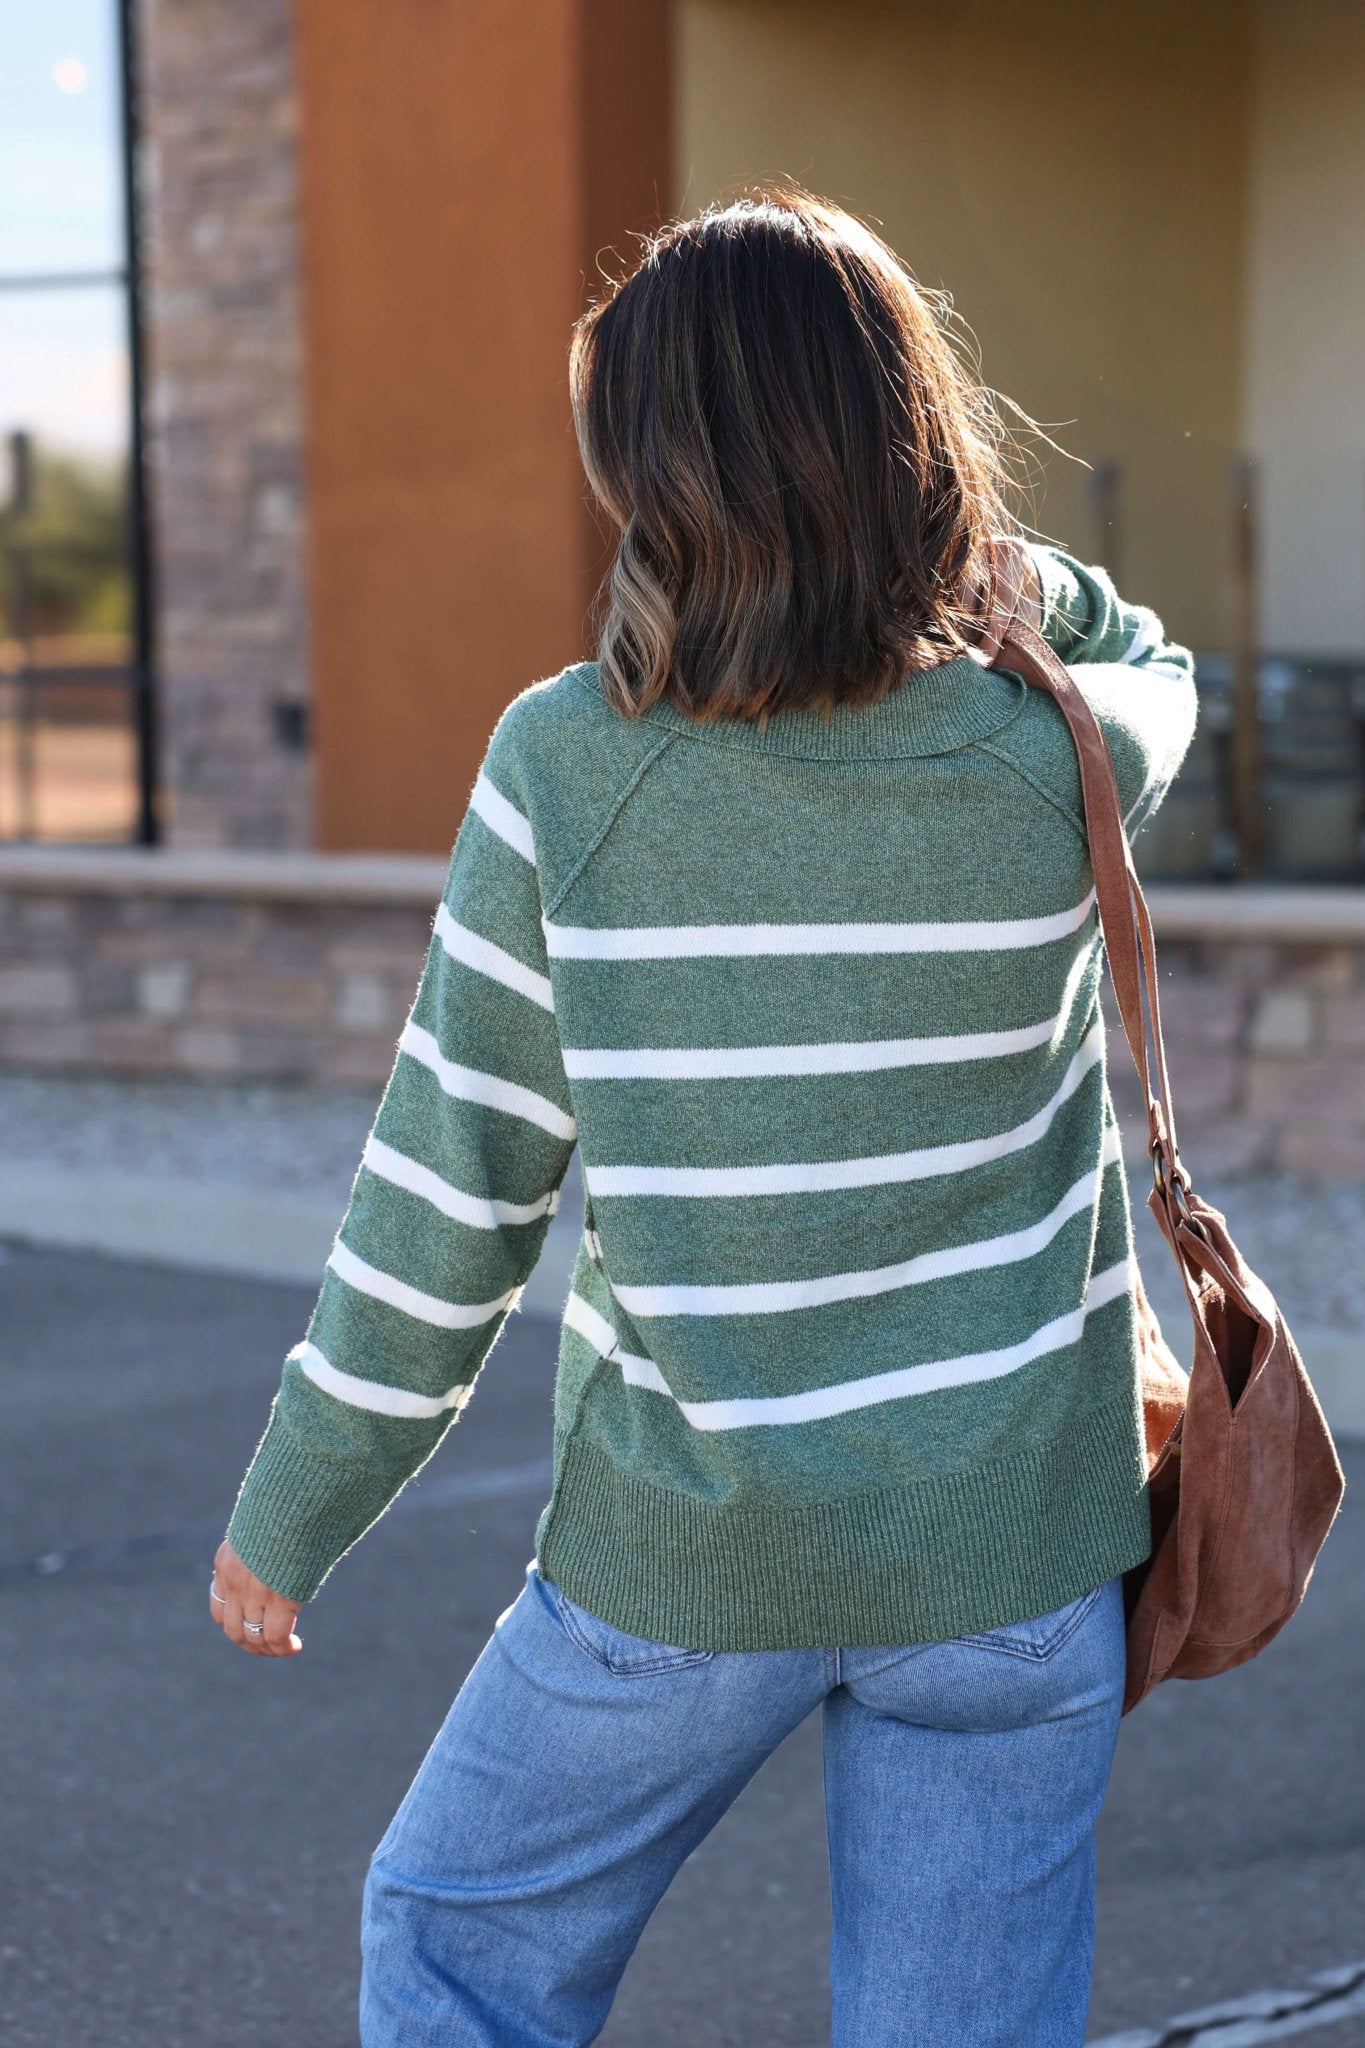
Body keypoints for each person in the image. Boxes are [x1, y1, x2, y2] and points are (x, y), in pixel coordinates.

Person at [208, 186, 1196, 2046]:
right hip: (1013, 1564)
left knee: (453, 1941)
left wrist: (291, 1514)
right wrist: (1006, 578)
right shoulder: (1043, 748)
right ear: (916, 448)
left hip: (678, 1571)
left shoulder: (566, 766)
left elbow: (449, 1208)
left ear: (653, 472)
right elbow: (1149, 656)